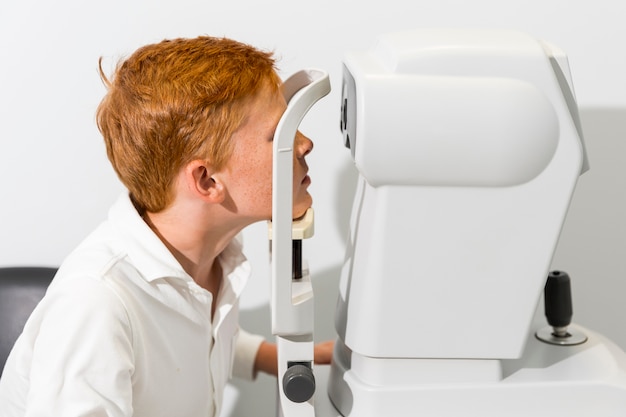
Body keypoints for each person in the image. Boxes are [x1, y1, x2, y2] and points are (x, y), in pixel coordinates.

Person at [0, 36, 332, 417]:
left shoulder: (208, 258)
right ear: (207, 181)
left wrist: (267, 357)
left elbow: (195, 335)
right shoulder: (96, 304)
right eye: (279, 135)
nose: (304, 143)